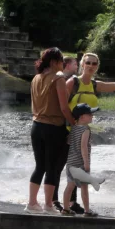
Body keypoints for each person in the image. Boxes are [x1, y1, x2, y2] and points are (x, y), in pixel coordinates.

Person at [53, 53, 115, 213]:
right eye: (88, 63)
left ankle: (73, 203)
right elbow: (61, 106)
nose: (91, 66)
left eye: (94, 64)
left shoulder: (94, 84)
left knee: (78, 169)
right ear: (82, 65)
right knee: (58, 167)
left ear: (97, 67)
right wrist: (71, 125)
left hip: (81, 132)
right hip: (66, 131)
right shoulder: (72, 82)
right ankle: (54, 201)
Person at [26, 47, 75, 214]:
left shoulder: (36, 78)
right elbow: (63, 107)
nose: (63, 65)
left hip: (36, 126)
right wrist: (73, 123)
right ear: (54, 62)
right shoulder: (58, 78)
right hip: (54, 127)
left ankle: (32, 202)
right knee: (52, 167)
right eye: (61, 62)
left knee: (39, 166)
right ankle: (48, 204)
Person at [61, 104, 106, 217]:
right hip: (80, 163)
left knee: (70, 186)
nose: (92, 116)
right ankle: (87, 211)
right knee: (84, 187)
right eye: (89, 114)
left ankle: (65, 209)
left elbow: (68, 142)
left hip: (70, 162)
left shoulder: (74, 128)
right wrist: (86, 162)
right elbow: (83, 146)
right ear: (82, 117)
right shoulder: (86, 129)